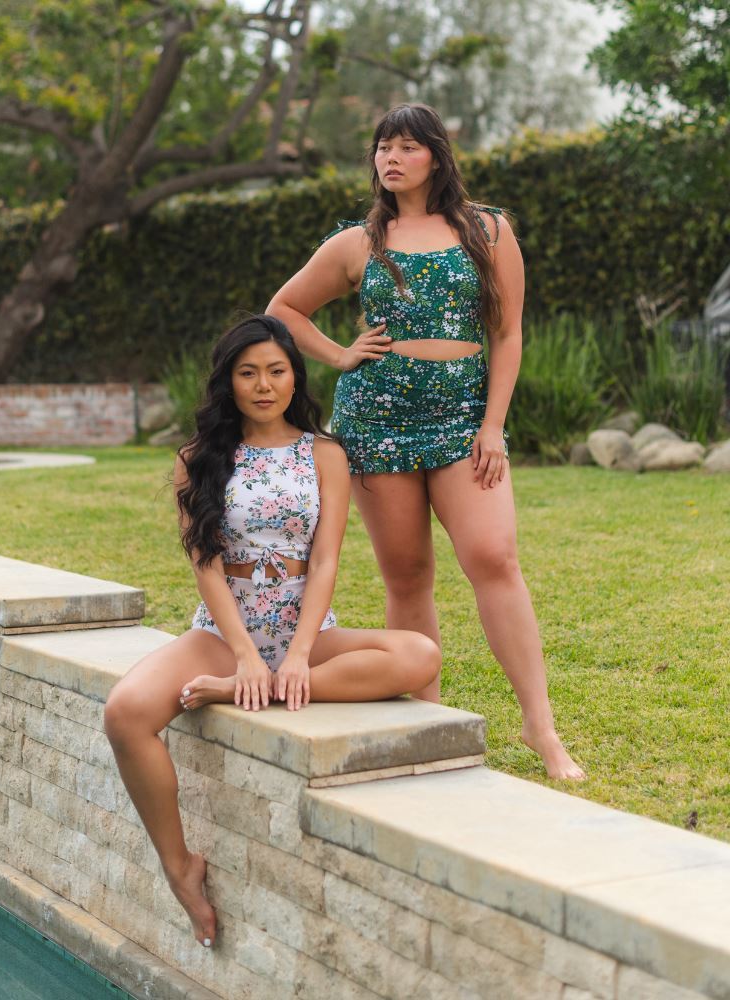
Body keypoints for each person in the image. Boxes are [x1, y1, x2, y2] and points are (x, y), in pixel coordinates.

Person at [267, 103, 584, 781]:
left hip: (463, 422)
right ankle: (427, 720)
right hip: (375, 427)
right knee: (407, 576)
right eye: (383, 147)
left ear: (435, 157)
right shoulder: (358, 241)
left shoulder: (487, 230)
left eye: (406, 147)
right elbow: (283, 310)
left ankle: (540, 726)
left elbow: (507, 333)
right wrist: (341, 354)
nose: (391, 158)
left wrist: (493, 426)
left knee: (494, 557)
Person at [103, 314, 441, 947]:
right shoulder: (197, 460)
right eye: (248, 372)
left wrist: (297, 656)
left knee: (420, 654)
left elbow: (325, 561)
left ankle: (268, 687)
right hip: (222, 631)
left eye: (276, 371)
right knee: (125, 712)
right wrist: (243, 656)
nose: (263, 385)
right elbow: (205, 564)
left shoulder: (326, 454)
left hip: (302, 625)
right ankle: (179, 868)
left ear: (295, 378)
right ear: (228, 382)